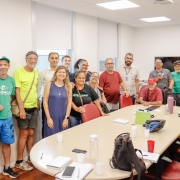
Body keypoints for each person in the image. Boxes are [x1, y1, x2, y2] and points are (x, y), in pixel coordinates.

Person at [14, 51, 39, 171]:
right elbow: (17, 92)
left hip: (34, 107)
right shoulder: (19, 71)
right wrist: (21, 109)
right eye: (30, 58)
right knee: (23, 134)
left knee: (31, 134)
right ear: (26, 59)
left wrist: (37, 103)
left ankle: (30, 157)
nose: (33, 60)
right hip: (23, 108)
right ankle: (19, 161)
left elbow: (35, 89)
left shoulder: (36, 72)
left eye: (35, 58)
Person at [0, 57, 18, 178]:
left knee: (7, 144)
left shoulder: (11, 81)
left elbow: (11, 97)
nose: (3, 67)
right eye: (0, 64)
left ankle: (7, 168)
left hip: (7, 118)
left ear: (8, 66)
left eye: (5, 65)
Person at [43, 66, 72, 138]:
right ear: (56, 73)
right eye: (59, 72)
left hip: (63, 118)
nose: (61, 74)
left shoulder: (68, 86)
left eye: (63, 72)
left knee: (63, 140)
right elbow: (45, 101)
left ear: (66, 74)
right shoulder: (49, 84)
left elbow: (69, 103)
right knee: (51, 140)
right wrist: (48, 118)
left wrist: (66, 118)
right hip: (51, 117)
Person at [37, 52, 59, 137]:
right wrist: (38, 100)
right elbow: (39, 86)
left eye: (56, 58)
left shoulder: (62, 70)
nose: (54, 60)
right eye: (52, 58)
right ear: (48, 59)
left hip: (60, 100)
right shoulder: (43, 72)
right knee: (47, 121)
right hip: (47, 100)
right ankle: (45, 142)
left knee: (59, 121)